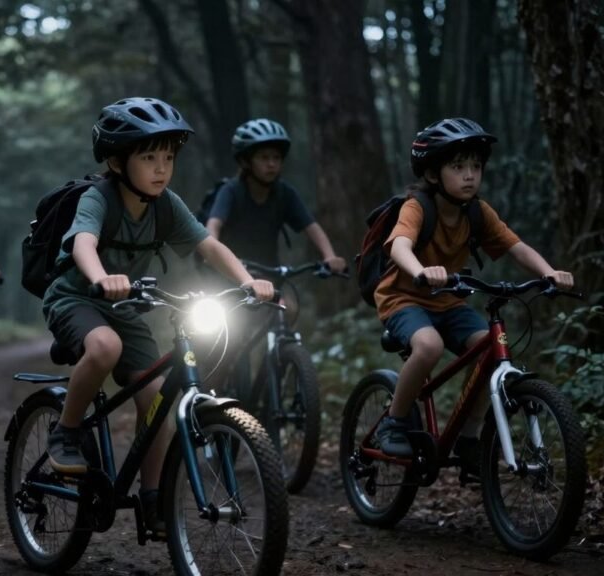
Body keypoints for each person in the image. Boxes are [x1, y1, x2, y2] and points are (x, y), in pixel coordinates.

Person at [42, 97, 274, 533]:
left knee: (156, 401)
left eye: (168, 157)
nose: (161, 168)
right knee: (105, 346)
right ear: (116, 160)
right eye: (148, 157)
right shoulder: (99, 198)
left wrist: (248, 281)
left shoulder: (166, 204)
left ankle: (153, 499)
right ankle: (66, 432)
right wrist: (101, 277)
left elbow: (210, 246)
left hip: (127, 307)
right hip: (76, 297)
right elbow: (83, 245)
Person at [373, 117, 574, 470]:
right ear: (434, 174)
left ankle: (469, 437)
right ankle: (394, 421)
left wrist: (549, 273)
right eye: (458, 166)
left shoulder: (478, 212)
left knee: (490, 351)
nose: (470, 175)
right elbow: (399, 246)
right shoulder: (417, 206)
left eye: (476, 166)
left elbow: (517, 247)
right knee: (429, 346)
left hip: (449, 301)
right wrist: (421, 270)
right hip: (404, 299)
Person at [205, 118, 345, 272]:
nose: (271, 164)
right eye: (264, 157)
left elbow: (312, 227)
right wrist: (213, 254)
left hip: (271, 275)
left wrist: (330, 256)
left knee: (287, 297)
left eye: (276, 157)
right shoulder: (231, 191)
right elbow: (213, 226)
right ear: (245, 162)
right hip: (227, 276)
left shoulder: (284, 193)